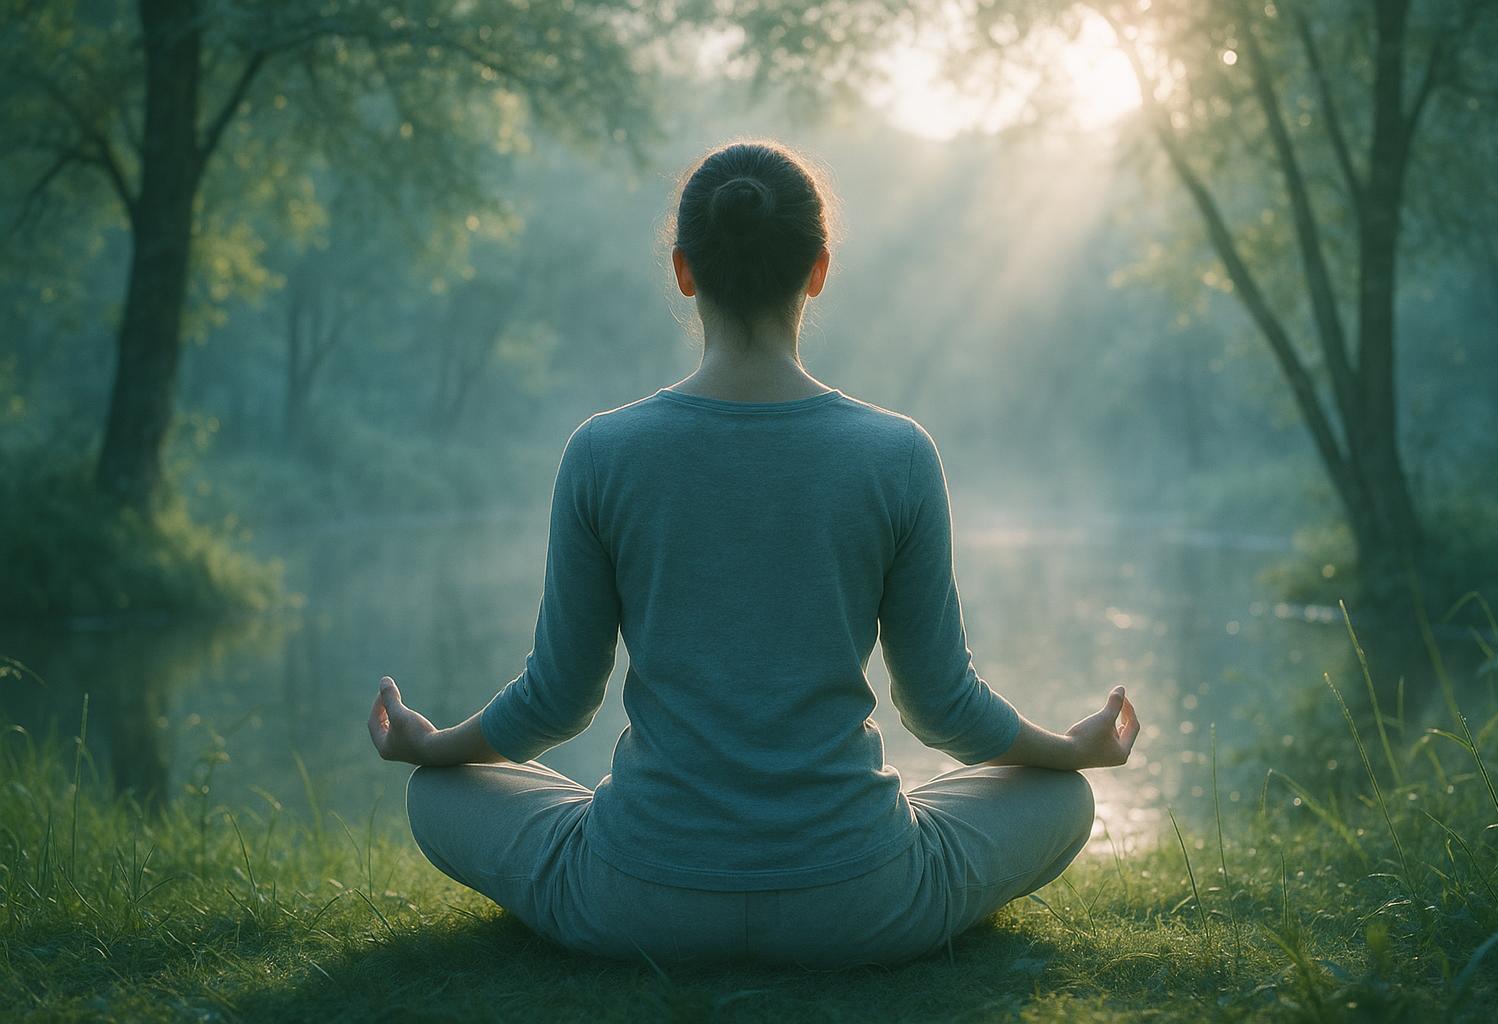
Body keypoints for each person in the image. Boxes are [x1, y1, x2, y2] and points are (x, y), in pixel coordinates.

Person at [367, 139, 1140, 968]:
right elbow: (942, 708)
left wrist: (435, 746)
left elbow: (556, 703)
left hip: (638, 899)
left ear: (684, 270)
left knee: (438, 795)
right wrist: (1070, 751)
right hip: (861, 903)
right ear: (818, 269)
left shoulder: (603, 452)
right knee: (1062, 798)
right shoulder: (897, 455)